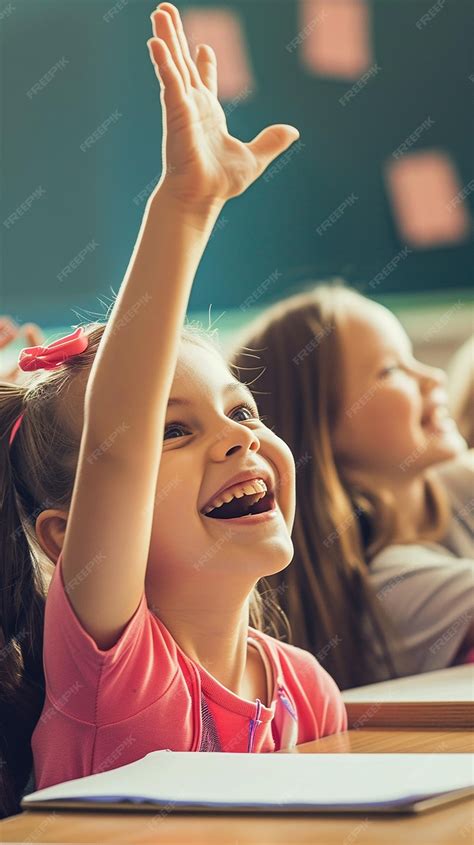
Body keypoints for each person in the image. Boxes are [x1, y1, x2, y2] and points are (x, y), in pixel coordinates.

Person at [0, 5, 346, 811]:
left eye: (245, 410)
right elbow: (113, 450)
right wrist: (186, 208)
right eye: (175, 429)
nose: (238, 437)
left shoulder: (305, 686)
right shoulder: (114, 676)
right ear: (67, 536)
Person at [230, 283, 473, 689]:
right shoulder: (392, 588)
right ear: (320, 432)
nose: (433, 377)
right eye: (392, 369)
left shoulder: (451, 485)